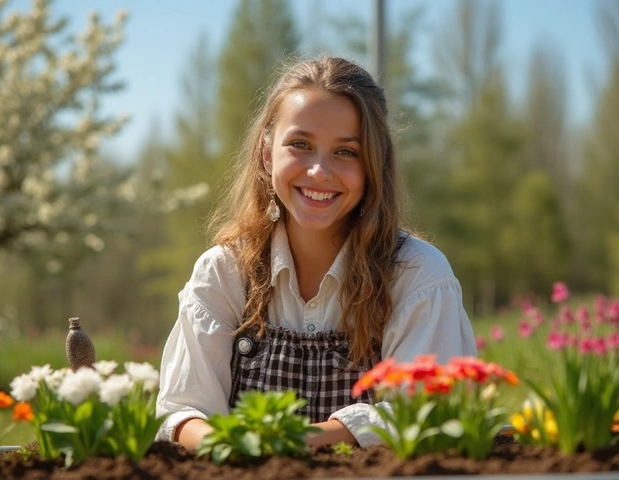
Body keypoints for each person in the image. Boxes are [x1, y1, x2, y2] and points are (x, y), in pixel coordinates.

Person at [156, 56, 476, 450]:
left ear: (374, 164)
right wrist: (234, 447)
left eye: (346, 152)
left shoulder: (416, 275)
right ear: (266, 153)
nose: (319, 171)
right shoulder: (224, 272)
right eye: (301, 145)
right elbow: (183, 409)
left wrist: (286, 441)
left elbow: (423, 416)